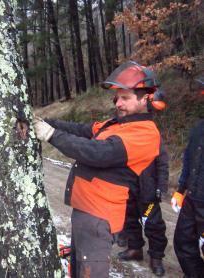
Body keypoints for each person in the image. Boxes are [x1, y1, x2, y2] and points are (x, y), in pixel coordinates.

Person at [33, 61, 165, 277]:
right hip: (84, 212)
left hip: (99, 217)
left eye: (126, 98)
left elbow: (97, 153)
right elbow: (82, 130)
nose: (118, 103)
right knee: (76, 270)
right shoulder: (115, 124)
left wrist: (51, 135)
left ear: (145, 98)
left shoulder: (146, 134)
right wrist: (46, 122)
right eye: (117, 97)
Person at [118, 140, 169, 277]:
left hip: (148, 189)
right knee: (129, 220)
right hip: (128, 186)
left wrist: (161, 186)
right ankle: (135, 248)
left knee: (153, 224)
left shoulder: (153, 136)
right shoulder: (126, 134)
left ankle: (156, 257)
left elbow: (162, 163)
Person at [172, 78, 204, 277]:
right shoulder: (198, 128)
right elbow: (189, 159)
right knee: (183, 242)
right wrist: (180, 189)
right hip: (193, 198)